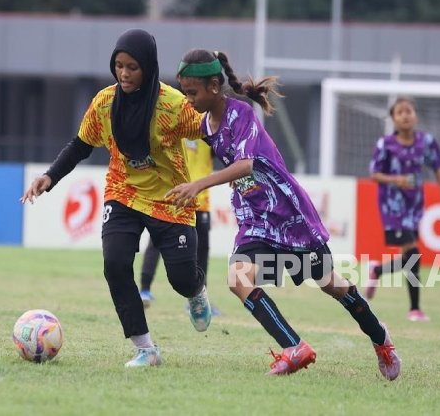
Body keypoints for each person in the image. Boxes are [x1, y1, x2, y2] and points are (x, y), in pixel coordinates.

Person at [166, 49, 400, 380]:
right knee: (237, 278)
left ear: (214, 87)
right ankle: (294, 347)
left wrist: (198, 185)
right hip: (255, 220)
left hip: (287, 213)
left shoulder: (241, 114)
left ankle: (380, 338)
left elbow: (246, 164)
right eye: (185, 92)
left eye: (192, 92)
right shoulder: (205, 124)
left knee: (331, 284)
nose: (188, 99)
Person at [20, 29, 212, 368]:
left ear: (149, 68)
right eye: (119, 65)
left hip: (171, 199)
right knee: (115, 264)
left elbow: (211, 126)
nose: (124, 73)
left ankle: (196, 292)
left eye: (132, 67)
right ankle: (146, 349)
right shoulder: (104, 102)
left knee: (182, 280)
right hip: (123, 193)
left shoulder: (173, 106)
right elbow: (80, 145)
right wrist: (49, 177)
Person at [365, 98, 440, 322]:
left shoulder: (426, 141)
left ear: (415, 115)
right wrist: (397, 180)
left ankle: (377, 271)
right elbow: (374, 174)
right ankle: (415, 309)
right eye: (400, 112)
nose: (405, 115)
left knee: (409, 256)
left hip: (415, 204)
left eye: (408, 111)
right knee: (413, 253)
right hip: (392, 205)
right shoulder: (386, 144)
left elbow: (438, 166)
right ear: (393, 118)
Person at [140, 135, 220, 316]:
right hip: (183, 197)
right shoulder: (188, 128)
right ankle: (147, 290)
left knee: (159, 241)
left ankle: (146, 290)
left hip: (186, 198)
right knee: (198, 249)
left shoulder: (206, 133)